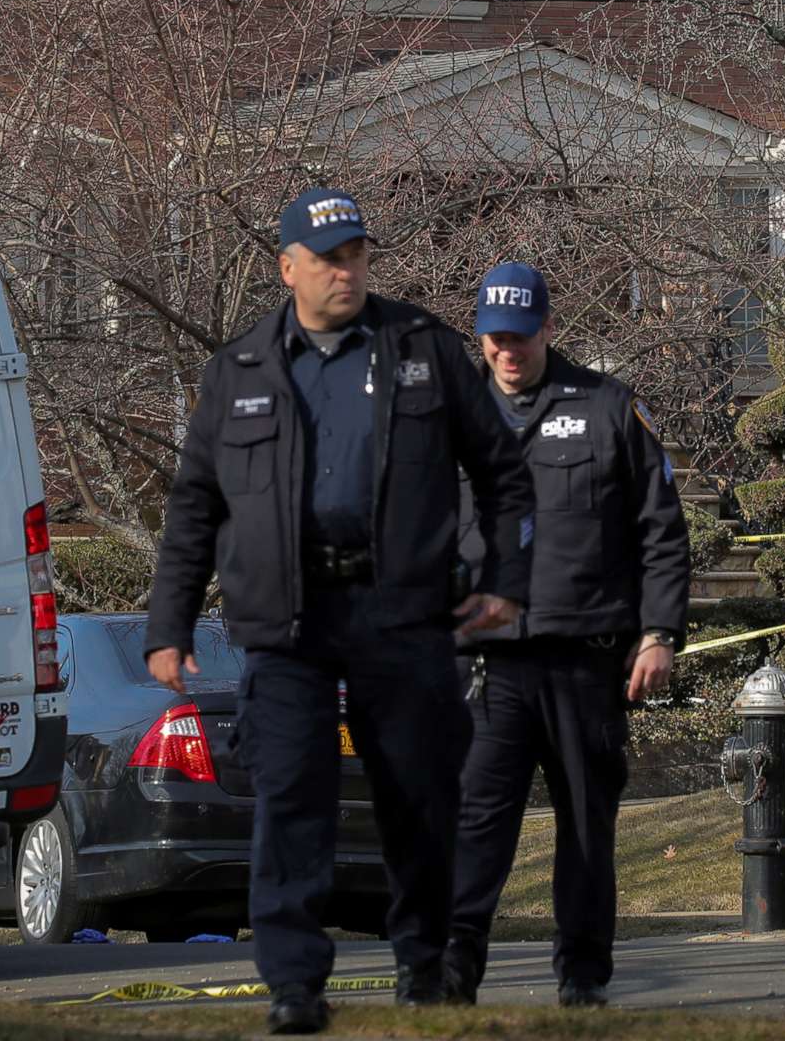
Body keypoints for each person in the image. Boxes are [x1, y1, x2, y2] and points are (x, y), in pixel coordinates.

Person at [144, 188, 535, 1036]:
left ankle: (423, 966)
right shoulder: (239, 369)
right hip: (287, 623)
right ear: (288, 269)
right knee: (291, 795)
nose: (346, 270)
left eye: (356, 254)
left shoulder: (420, 348)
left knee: (417, 795)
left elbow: (503, 472)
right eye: (328, 258)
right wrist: (168, 627)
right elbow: (192, 509)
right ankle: (294, 985)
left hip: (403, 613)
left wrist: (501, 579)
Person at [445, 261, 691, 1009]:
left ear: (549, 327)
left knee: (586, 831)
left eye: (521, 336)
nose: (508, 352)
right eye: (495, 339)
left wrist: (658, 634)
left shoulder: (609, 409)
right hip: (488, 668)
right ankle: (451, 974)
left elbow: (662, 532)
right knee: (474, 829)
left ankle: (582, 979)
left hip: (586, 663)